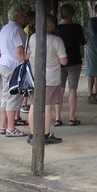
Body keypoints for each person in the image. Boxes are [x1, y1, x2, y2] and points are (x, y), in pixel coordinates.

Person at [26, 14, 68, 145]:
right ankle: (45, 134)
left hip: (34, 77)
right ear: (52, 25)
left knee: (33, 105)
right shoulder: (57, 41)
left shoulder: (32, 38)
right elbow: (64, 61)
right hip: (51, 78)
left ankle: (33, 134)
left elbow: (27, 56)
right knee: (47, 106)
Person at [0, 4, 28, 138]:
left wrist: (5, 53)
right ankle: (11, 128)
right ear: (18, 16)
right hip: (14, 65)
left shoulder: (5, 28)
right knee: (14, 95)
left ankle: (4, 125)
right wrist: (25, 62)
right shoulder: (17, 30)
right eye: (24, 16)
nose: (26, 19)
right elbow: (19, 51)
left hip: (4, 63)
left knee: (6, 95)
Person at [55, 3, 86, 126]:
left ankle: (58, 118)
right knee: (72, 89)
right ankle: (72, 118)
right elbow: (82, 42)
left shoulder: (57, 28)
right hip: (74, 60)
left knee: (60, 89)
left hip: (59, 61)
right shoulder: (77, 27)